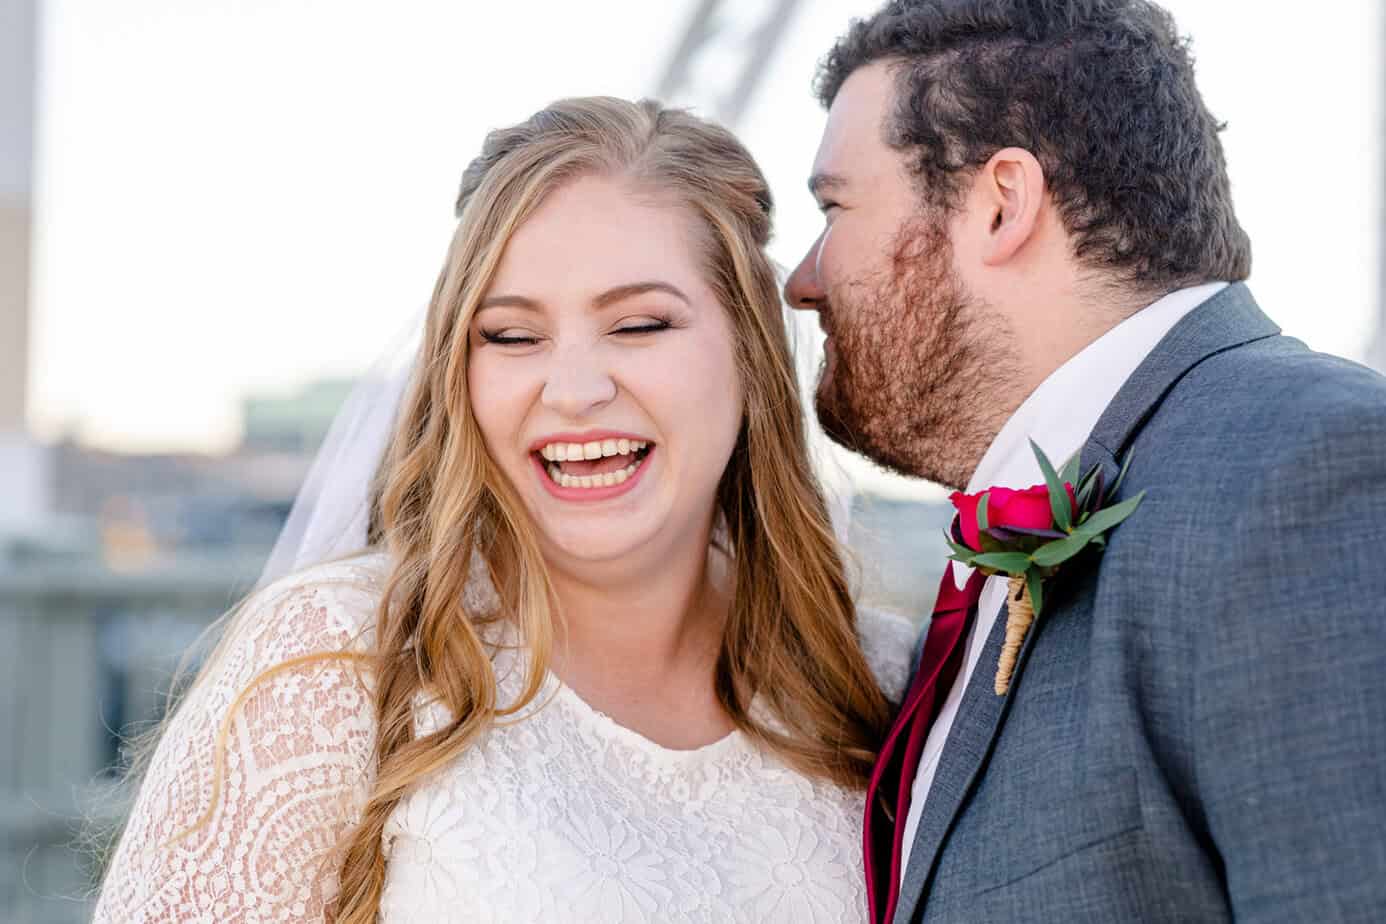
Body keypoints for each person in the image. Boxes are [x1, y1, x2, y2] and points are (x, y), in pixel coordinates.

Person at [93, 96, 917, 923]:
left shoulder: (874, 678)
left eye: (638, 325)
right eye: (513, 337)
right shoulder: (342, 661)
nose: (574, 391)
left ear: (751, 347)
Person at [785, 1, 1386, 921]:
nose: (803, 279)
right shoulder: (1029, 537)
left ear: (1001, 203)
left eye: (835, 209)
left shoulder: (1308, 475)